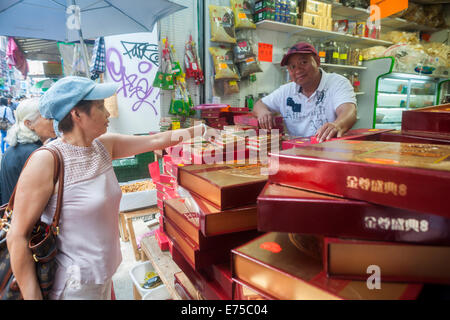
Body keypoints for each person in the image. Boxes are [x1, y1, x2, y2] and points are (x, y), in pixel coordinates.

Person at [6, 76, 207, 300]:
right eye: (101, 107)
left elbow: (158, 140)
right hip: (73, 287)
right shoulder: (47, 160)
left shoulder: (103, 146)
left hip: (104, 278)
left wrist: (203, 131)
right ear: (77, 114)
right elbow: (17, 237)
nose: (108, 113)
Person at [253, 42, 357, 142]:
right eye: (292, 67)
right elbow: (259, 104)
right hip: (296, 152)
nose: (298, 70)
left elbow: (349, 111)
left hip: (329, 150)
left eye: (303, 62)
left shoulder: (337, 82)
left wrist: (338, 124)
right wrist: (263, 112)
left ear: (317, 61)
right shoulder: (286, 90)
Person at [0, 98, 56, 204]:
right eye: (48, 118)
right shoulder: (37, 154)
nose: (54, 122)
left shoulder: (12, 150)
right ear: (29, 124)